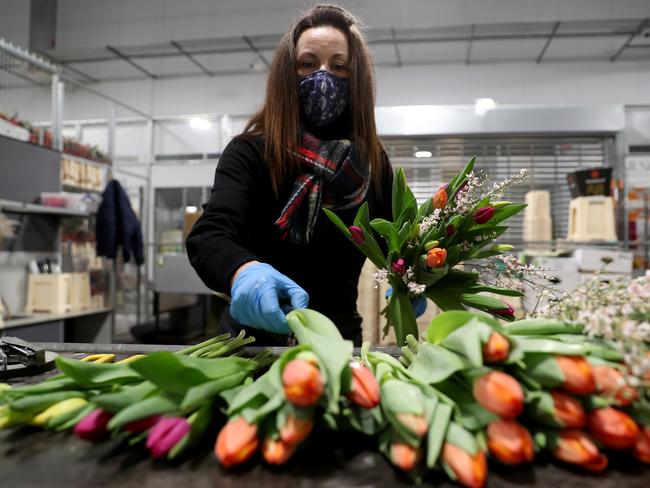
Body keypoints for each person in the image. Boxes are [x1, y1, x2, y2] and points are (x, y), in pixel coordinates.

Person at [187, 5, 393, 346]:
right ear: (288, 73)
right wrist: (243, 272)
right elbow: (210, 234)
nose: (323, 77)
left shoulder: (371, 162)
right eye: (308, 64)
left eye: (339, 66)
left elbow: (397, 236)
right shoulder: (252, 151)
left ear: (356, 78)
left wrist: (415, 271)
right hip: (251, 345)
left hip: (337, 342)